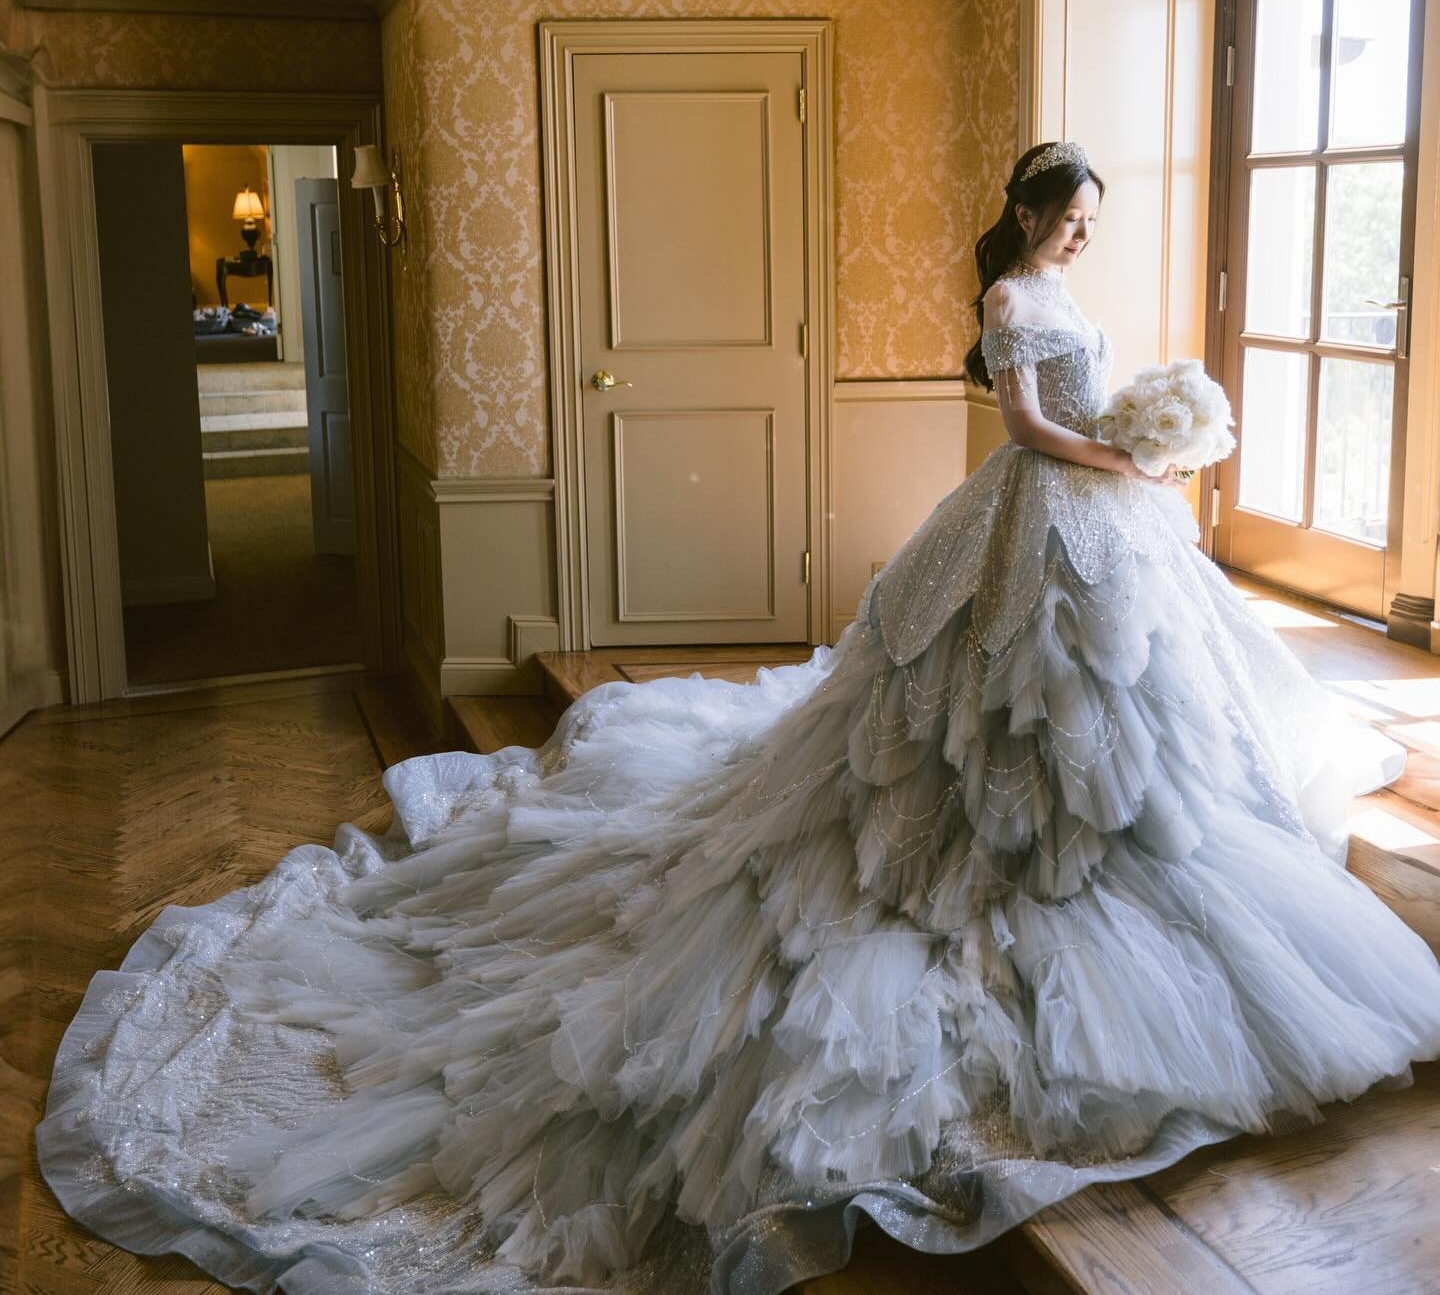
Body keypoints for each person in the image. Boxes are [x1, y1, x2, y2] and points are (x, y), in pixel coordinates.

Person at [36, 140, 1440, 1295]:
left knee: (1126, 727)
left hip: (1105, 529)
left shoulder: (1067, 293)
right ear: (1024, 217)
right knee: (972, 717)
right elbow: (1021, 433)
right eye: (1067, 220)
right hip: (1039, 513)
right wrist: (1120, 453)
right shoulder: (1013, 305)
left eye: (1088, 226)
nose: (1079, 240)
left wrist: (1142, 445)